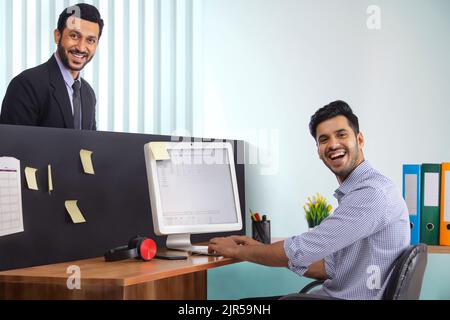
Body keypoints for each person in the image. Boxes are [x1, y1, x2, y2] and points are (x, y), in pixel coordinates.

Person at [208, 100, 410, 300]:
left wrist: (236, 251)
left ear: (359, 139)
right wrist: (256, 248)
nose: (332, 144)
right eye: (324, 139)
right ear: (318, 151)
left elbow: (300, 252)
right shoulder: (362, 190)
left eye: (341, 135)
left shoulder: (371, 193)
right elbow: (327, 268)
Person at [0, 3, 103, 130]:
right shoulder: (26, 85)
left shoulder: (88, 94)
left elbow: (90, 146)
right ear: (57, 36)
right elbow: (14, 146)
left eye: (90, 40)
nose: (81, 47)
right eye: (74, 36)